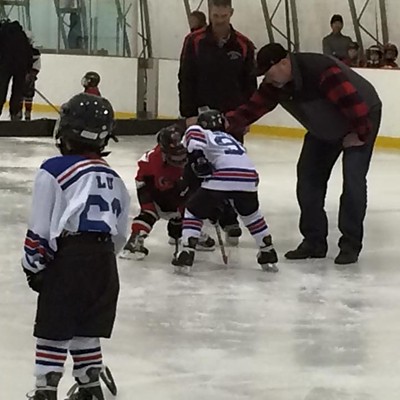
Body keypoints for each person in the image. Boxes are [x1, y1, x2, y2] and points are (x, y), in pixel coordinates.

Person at [226, 43, 382, 265]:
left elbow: (353, 103)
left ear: (284, 63)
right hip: (324, 126)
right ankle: (314, 241)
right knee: (308, 177)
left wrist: (361, 133)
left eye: (268, 74)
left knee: (353, 181)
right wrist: (224, 122)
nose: (267, 80)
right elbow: (252, 109)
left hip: (361, 117)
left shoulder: (322, 72)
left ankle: (350, 245)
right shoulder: (276, 84)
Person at [22, 93, 130, 400]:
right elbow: (121, 232)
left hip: (70, 259)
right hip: (105, 261)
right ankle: (90, 386)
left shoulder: (55, 169)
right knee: (86, 328)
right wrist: (102, 258)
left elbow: (40, 227)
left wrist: (33, 265)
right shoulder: (113, 176)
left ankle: (45, 389)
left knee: (54, 328)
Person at [178, 0, 257, 243]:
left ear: (231, 13)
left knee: (230, 166)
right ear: (210, 13)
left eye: (224, 15)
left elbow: (249, 84)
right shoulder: (194, 41)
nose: (220, 19)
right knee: (196, 166)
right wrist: (188, 113)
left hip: (232, 120)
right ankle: (193, 217)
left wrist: (247, 115)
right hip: (199, 117)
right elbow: (186, 78)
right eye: (216, 15)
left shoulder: (244, 45)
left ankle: (228, 216)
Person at [173, 109, 278, 275]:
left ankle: (187, 250)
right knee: (252, 215)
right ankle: (267, 250)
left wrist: (199, 160)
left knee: (193, 210)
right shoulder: (232, 139)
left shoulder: (201, 131)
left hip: (223, 176)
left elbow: (193, 140)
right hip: (249, 178)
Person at [121, 125, 215, 261]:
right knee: (152, 211)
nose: (180, 161)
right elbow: (169, 201)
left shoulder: (196, 150)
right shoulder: (158, 164)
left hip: (166, 181)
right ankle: (136, 240)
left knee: (190, 200)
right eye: (175, 157)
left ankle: (187, 230)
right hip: (147, 182)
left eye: (183, 155)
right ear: (164, 152)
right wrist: (178, 217)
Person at [0, 19, 32, 120]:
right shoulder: (22, 35)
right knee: (17, 91)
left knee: (1, 90)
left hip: (4, 66)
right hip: (20, 67)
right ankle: (15, 113)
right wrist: (28, 69)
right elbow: (28, 52)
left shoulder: (2, 34)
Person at [21, 31, 41, 121]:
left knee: (29, 95)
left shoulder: (35, 53)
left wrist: (31, 75)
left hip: (29, 78)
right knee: (19, 95)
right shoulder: (17, 51)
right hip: (20, 77)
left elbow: (37, 66)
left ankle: (28, 112)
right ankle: (18, 112)